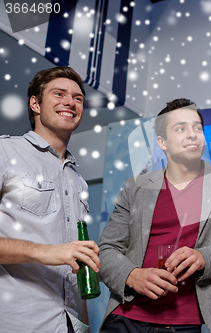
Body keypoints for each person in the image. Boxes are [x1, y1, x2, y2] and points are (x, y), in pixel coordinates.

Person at [98, 98, 211, 333]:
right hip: (124, 317)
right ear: (162, 142)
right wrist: (131, 275)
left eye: (197, 128)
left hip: (185, 323)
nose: (192, 135)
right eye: (180, 128)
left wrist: (204, 258)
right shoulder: (136, 186)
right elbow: (107, 249)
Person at [0, 66, 100, 332]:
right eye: (59, 94)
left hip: (69, 323)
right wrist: (48, 252)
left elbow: (78, 261)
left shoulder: (78, 179)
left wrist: (83, 323)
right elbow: (59, 253)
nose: (70, 102)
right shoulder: (4, 152)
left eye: (78, 98)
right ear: (35, 103)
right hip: (17, 321)